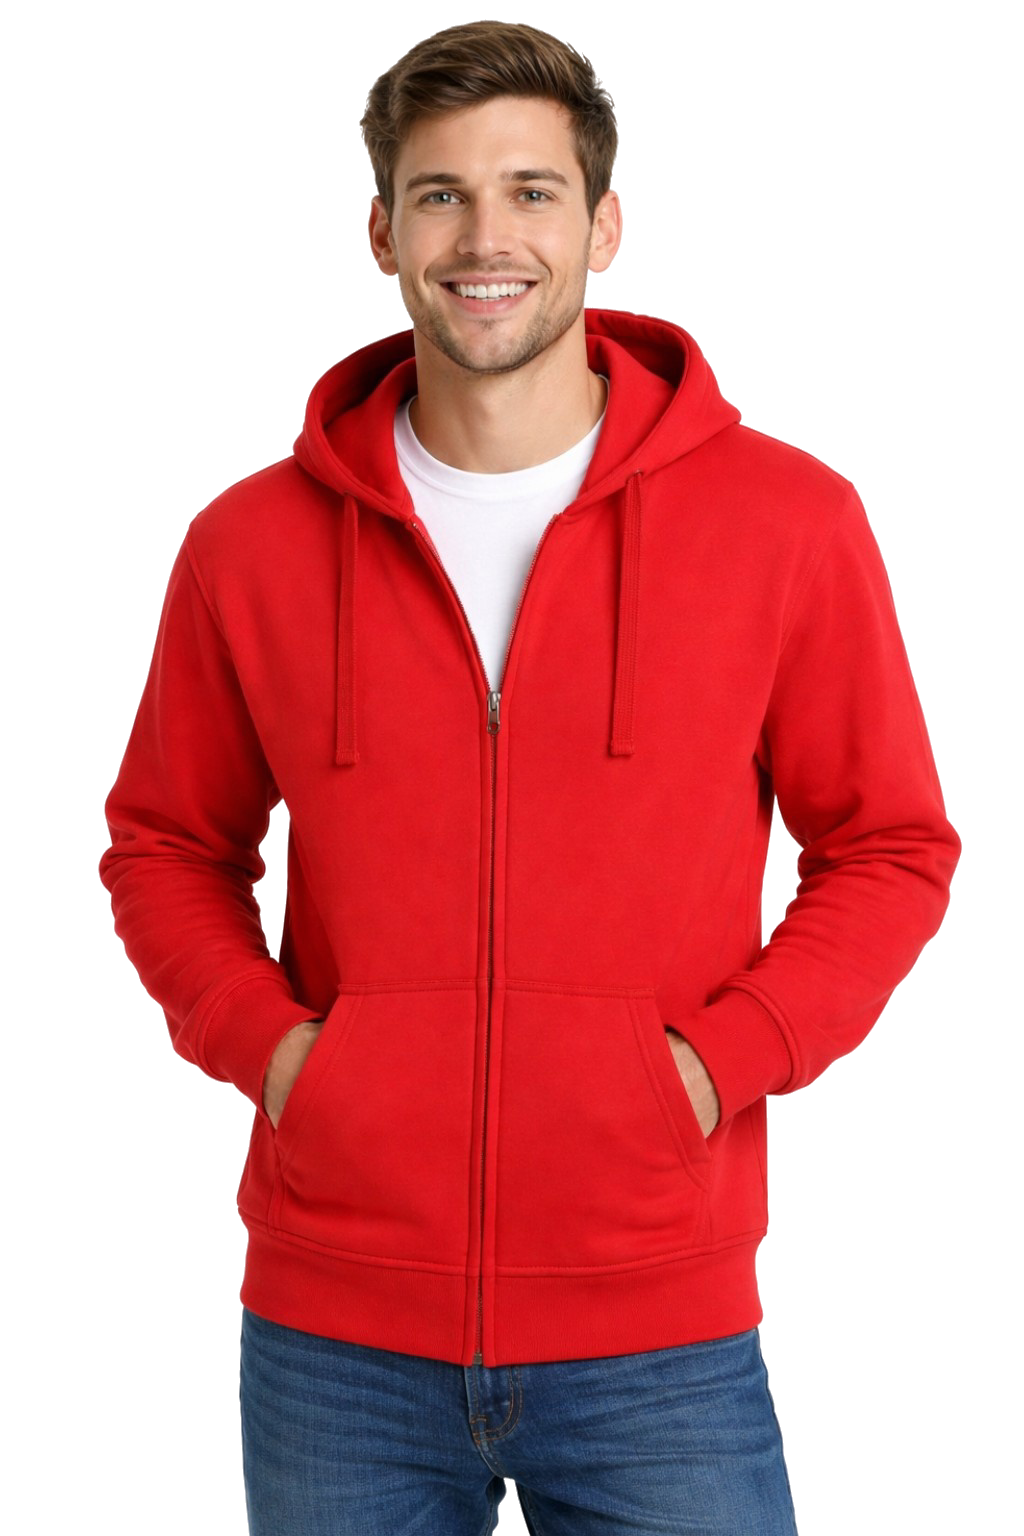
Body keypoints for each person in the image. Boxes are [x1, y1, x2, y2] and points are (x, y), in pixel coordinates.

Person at [98, 19, 961, 1535]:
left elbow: (889, 845)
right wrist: (283, 1058)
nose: (485, 238)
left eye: (532, 192)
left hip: (658, 1335)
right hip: (336, 1342)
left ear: (604, 224)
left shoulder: (786, 523)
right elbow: (167, 842)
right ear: (382, 232)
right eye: (439, 194)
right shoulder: (251, 545)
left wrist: (717, 1066)